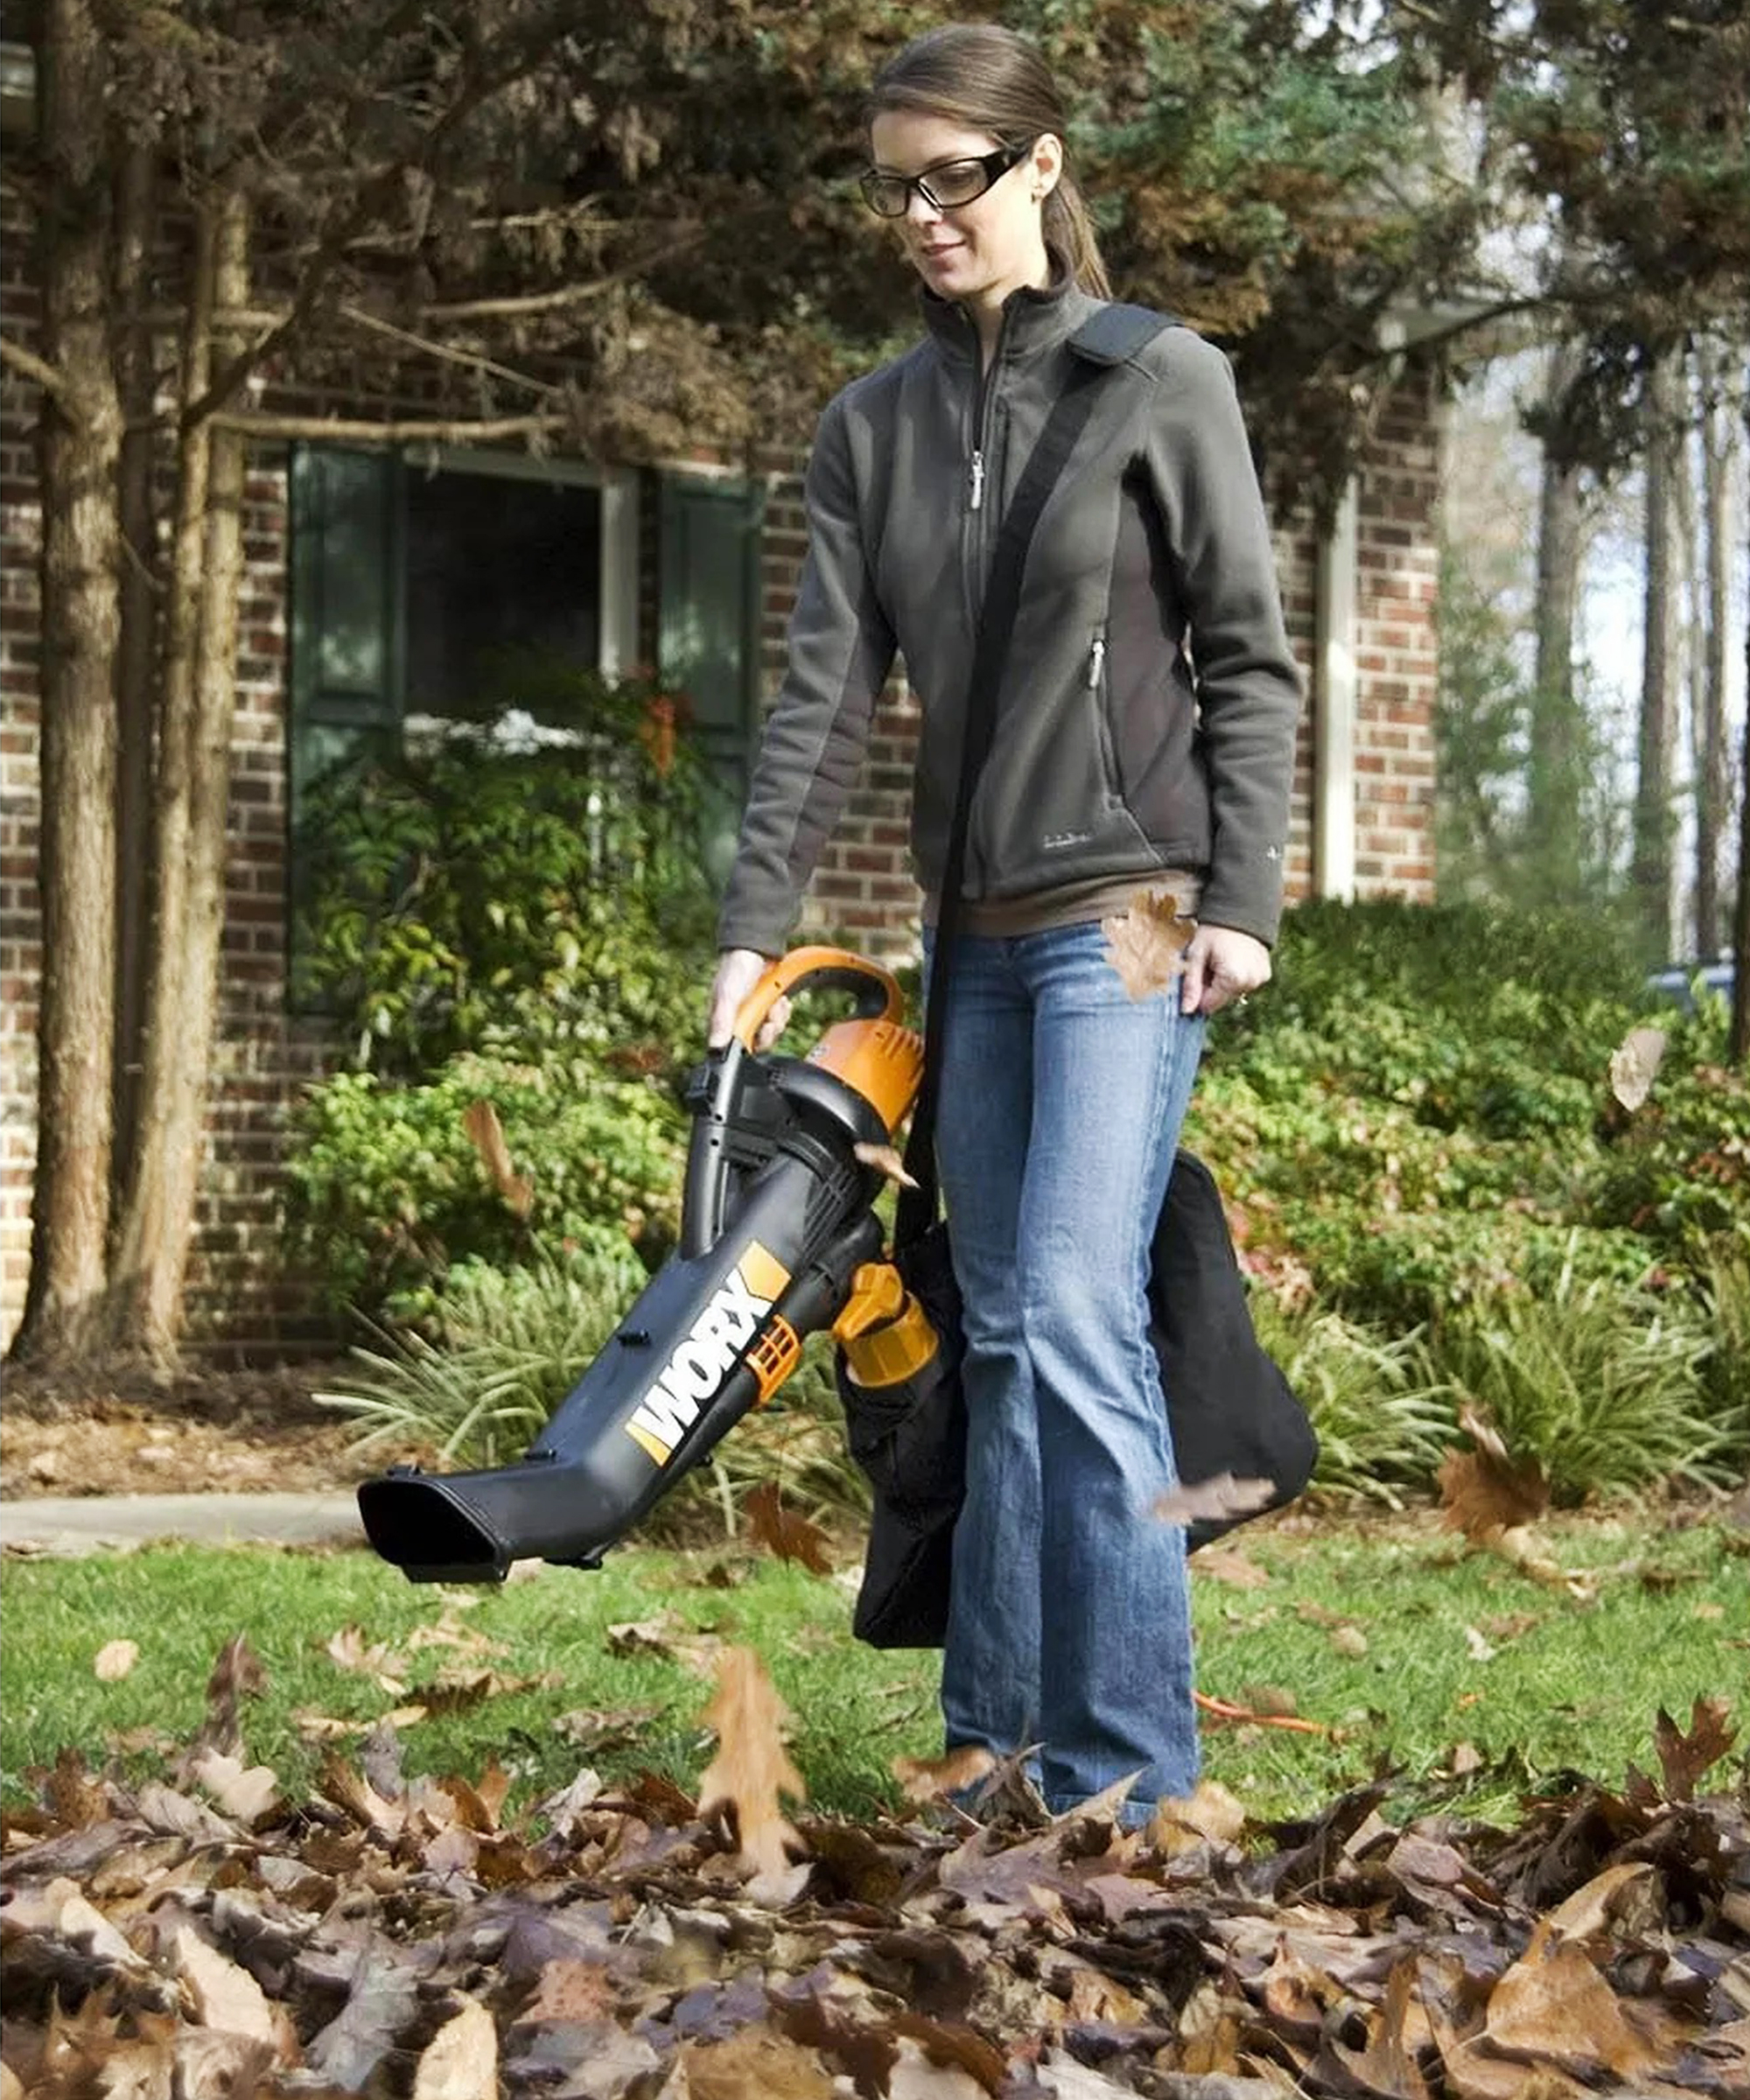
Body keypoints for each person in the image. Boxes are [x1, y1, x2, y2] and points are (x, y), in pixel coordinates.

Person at [705, 21, 1301, 1824]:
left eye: (952, 176)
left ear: (1039, 168)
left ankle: (1126, 1767)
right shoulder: (869, 429)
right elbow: (817, 700)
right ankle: (994, 1737)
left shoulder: (1159, 380)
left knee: (1068, 1313)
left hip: (1126, 916)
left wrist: (1243, 900)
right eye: (895, 183)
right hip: (969, 936)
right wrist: (754, 924)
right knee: (987, 1327)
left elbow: (1246, 657)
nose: (920, 213)